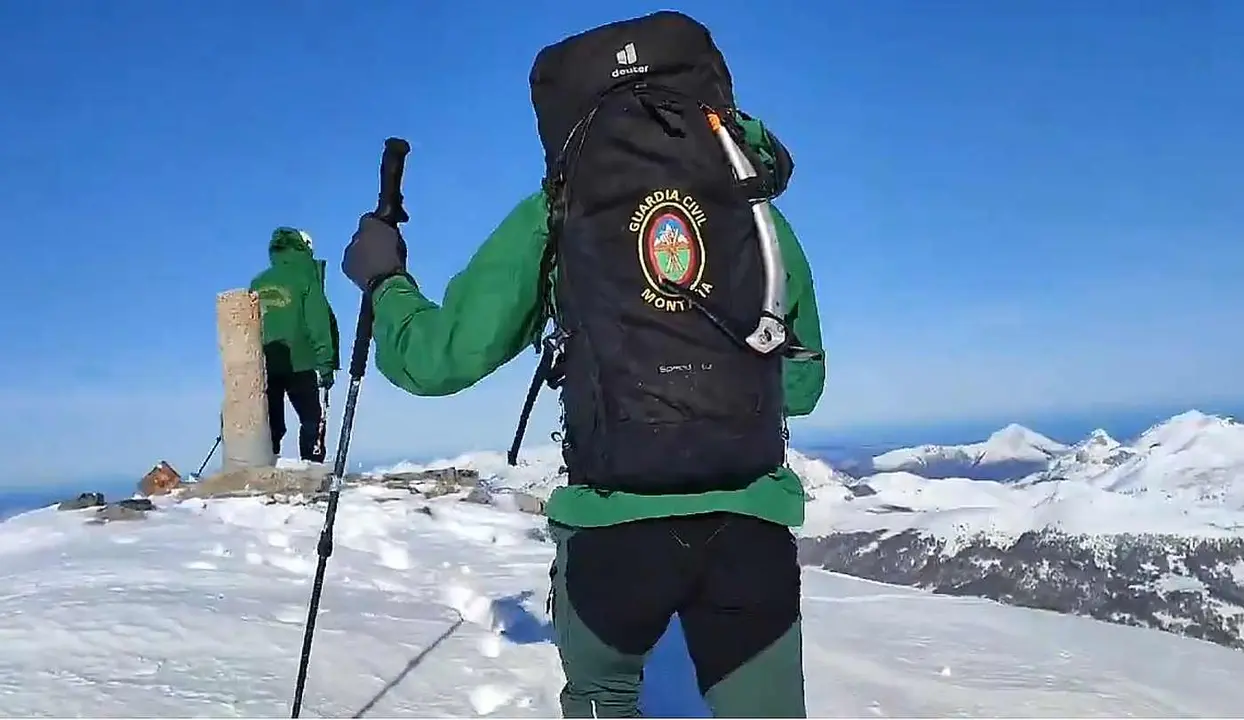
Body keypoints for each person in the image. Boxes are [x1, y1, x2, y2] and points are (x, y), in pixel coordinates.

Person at [342, 10, 824, 718]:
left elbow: (436, 362)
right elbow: (803, 384)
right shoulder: (754, 214)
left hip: (611, 531)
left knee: (603, 696)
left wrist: (386, 282)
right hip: (750, 525)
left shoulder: (556, 212)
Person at [250, 226, 340, 463]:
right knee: (311, 419)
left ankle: (264, 472)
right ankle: (311, 471)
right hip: (300, 361)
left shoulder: (258, 282)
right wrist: (326, 364)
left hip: (263, 363)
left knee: (271, 425)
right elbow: (318, 322)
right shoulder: (306, 279)